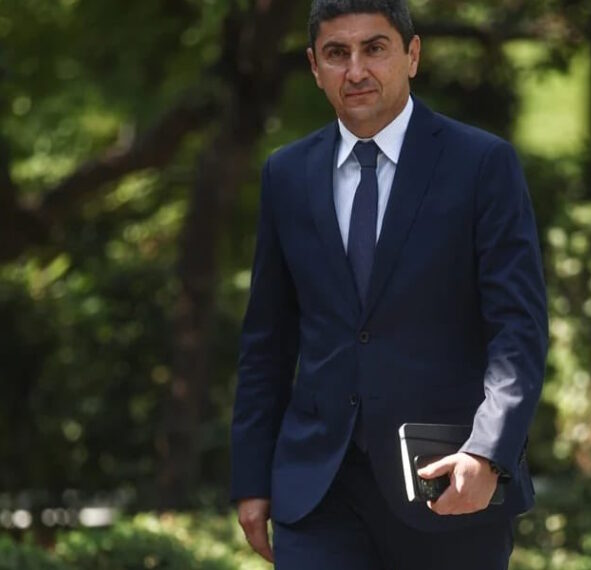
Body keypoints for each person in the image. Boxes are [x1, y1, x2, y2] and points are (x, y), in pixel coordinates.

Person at [229, 0, 548, 567]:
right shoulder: (286, 174)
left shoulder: (482, 165)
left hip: (449, 481)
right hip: (319, 491)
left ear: (412, 55)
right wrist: (252, 478)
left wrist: (489, 452)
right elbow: (267, 342)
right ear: (314, 66)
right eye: (337, 53)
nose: (356, 70)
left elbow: (517, 331)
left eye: (374, 49)